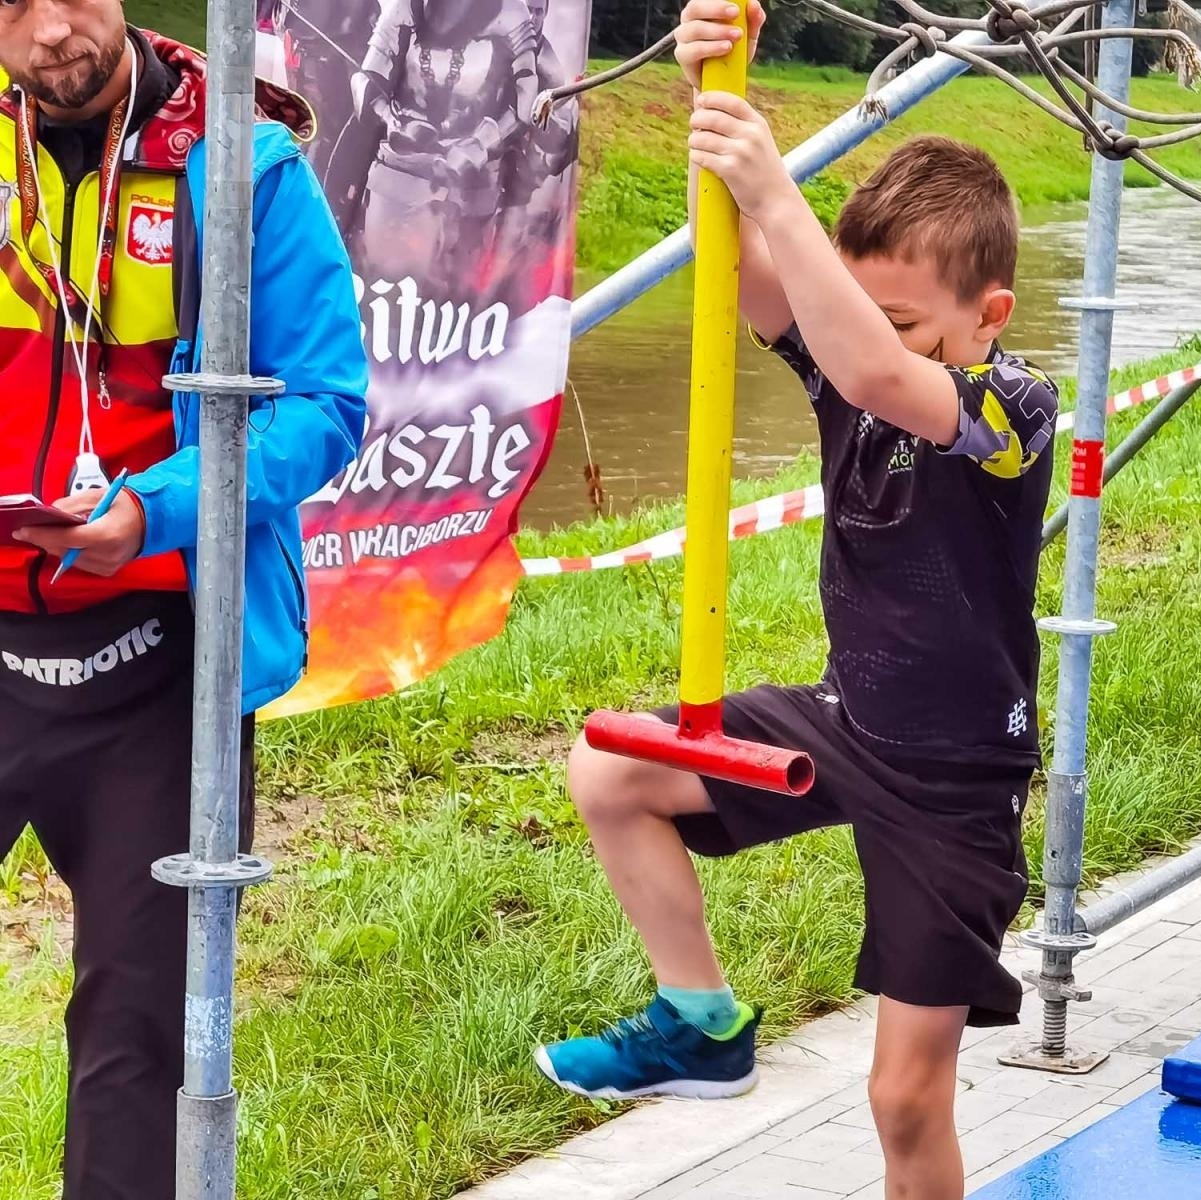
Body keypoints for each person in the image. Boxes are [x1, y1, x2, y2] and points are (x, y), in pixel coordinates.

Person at [536, 3, 1059, 1197]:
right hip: (848, 724)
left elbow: (877, 368)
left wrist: (781, 189)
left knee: (903, 1101)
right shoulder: (853, 354)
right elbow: (746, 272)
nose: (863, 346)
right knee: (609, 771)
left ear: (988, 319)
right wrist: (710, 94)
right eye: (858, 311)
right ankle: (701, 1021)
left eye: (907, 321)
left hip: (955, 780)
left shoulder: (1010, 412)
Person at [0, 3, 367, 1197]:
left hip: (161, 664)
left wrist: (151, 512)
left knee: (137, 1036)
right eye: (14, 5)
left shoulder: (242, 161)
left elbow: (325, 406)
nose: (53, 30)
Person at [345, 0, 575, 282]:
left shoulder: (511, 12)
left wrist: (480, 144)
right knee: (385, 283)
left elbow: (525, 101)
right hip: (398, 173)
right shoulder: (406, 6)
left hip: (473, 186)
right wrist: (389, 119)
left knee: (460, 291)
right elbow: (366, 79)